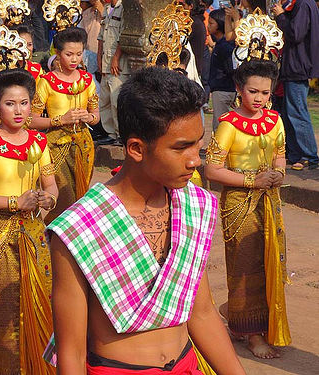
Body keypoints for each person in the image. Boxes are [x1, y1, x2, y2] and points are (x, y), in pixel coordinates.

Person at [47, 66, 245, 374]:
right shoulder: (78, 226)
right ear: (137, 149)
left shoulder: (194, 204)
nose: (196, 159)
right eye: (181, 147)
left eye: (198, 143)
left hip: (187, 365)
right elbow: (71, 352)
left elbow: (201, 312)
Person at [0, 68, 58, 375]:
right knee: (2, 304)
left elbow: (51, 185)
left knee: (40, 297)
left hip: (33, 231)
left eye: (24, 103)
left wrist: (48, 200)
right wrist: (14, 203)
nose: (18, 110)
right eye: (10, 103)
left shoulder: (40, 143)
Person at [205, 54, 291, 358]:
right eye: (252, 91)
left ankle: (236, 313)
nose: (259, 98)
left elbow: (280, 155)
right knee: (245, 269)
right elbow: (212, 170)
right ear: (239, 88)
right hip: (239, 204)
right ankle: (250, 333)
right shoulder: (229, 125)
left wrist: (278, 174)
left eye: (265, 92)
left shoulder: (275, 120)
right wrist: (254, 180)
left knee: (271, 264)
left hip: (269, 201)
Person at [31, 27, 100, 223]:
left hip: (83, 146)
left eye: (79, 54)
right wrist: (60, 120)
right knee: (65, 199)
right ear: (58, 53)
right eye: (69, 54)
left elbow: (96, 116)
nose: (74, 59)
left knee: (81, 195)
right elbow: (31, 120)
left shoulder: (87, 80)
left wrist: (88, 117)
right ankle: (52, 236)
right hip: (56, 147)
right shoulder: (46, 82)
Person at [272, 0, 319, 170]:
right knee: (290, 112)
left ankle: (308, 155)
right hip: (295, 66)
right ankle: (296, 153)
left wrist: (281, 16)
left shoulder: (303, 4)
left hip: (298, 66)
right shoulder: (305, 4)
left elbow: (296, 33)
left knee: (297, 112)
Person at [0, 24, 44, 115]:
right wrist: (10, 110)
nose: (26, 49)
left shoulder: (36, 69)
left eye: (29, 44)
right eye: (20, 44)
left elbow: (39, 103)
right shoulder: (0, 71)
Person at [97, 0, 129, 145]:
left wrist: (116, 58)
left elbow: (124, 36)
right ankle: (110, 133)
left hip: (117, 65)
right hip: (105, 63)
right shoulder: (106, 9)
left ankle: (120, 134)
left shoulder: (124, 8)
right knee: (104, 100)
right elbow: (100, 38)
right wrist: (99, 59)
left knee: (117, 100)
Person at [207, 8, 236, 132]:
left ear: (219, 24)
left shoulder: (224, 46)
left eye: (211, 23)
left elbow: (230, 68)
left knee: (220, 125)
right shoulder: (220, 44)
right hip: (222, 87)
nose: (208, 26)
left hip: (224, 88)